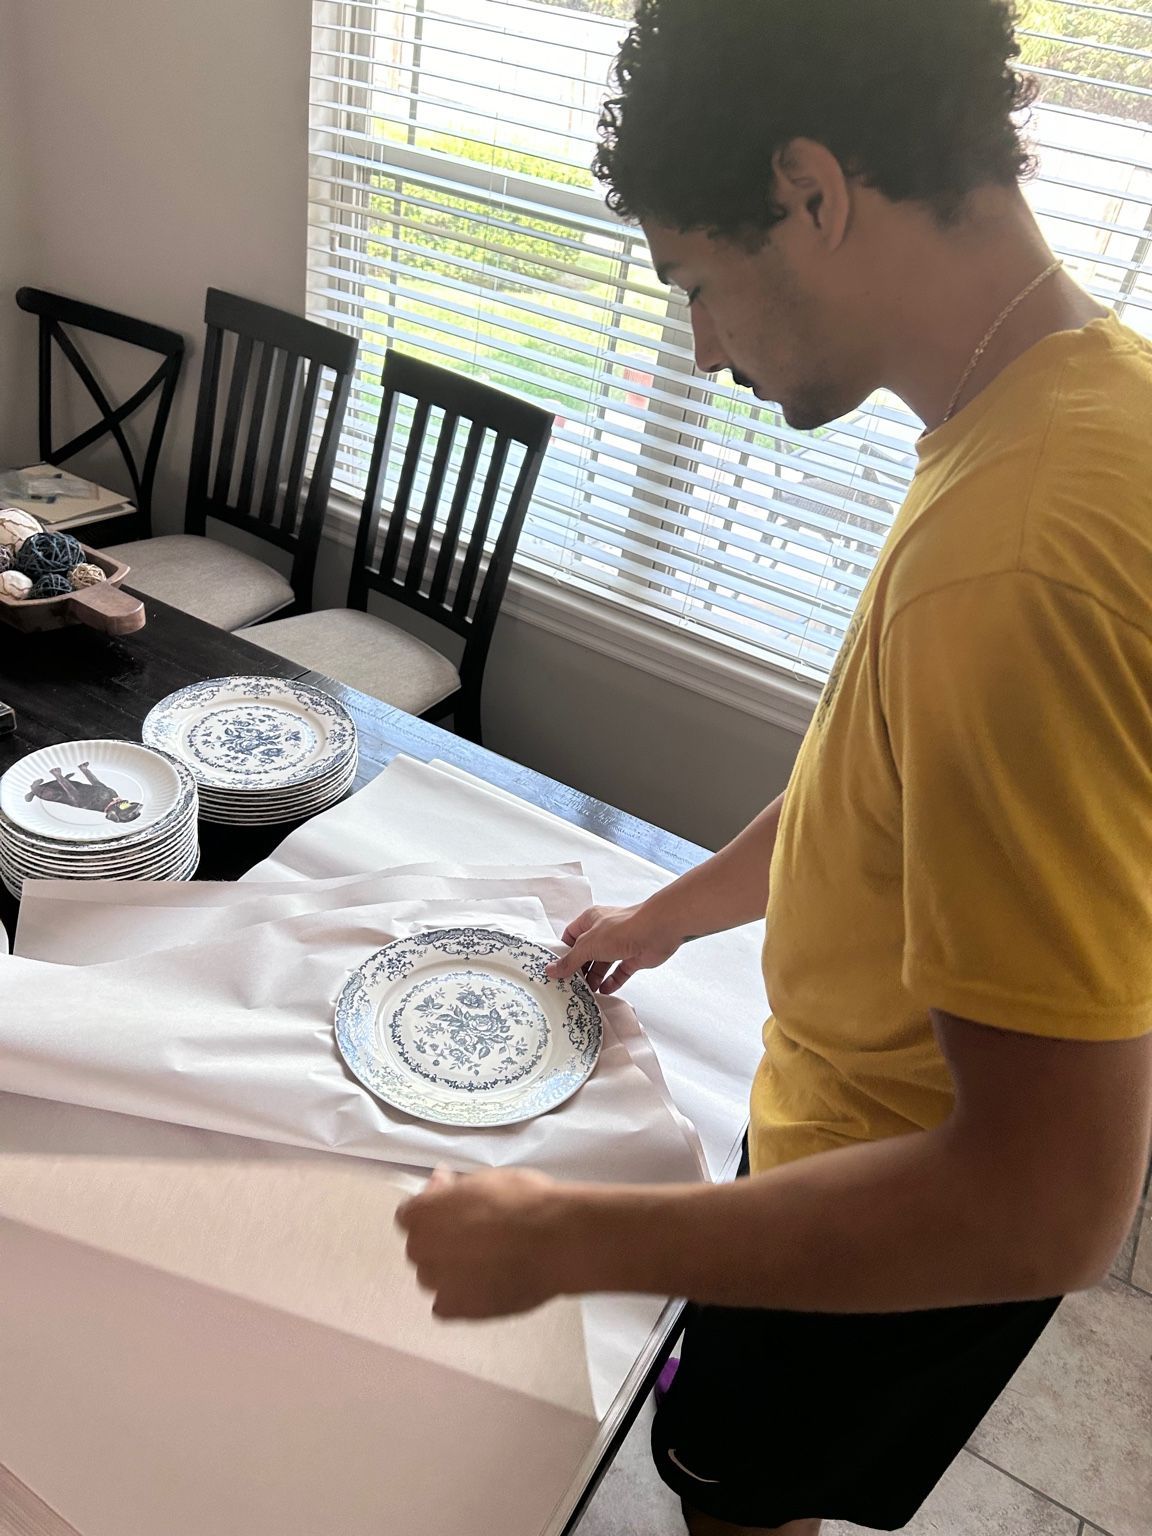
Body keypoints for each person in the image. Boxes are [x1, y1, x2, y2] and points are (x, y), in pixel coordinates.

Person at [397, 2, 1152, 1530]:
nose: (699, 345)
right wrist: (669, 914)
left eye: (694, 281)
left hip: (886, 1228)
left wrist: (570, 1241)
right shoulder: (1074, 408)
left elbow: (1049, 1203)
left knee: (737, 1504)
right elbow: (871, 776)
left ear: (810, 192)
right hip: (852, 1135)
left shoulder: (1010, 562)